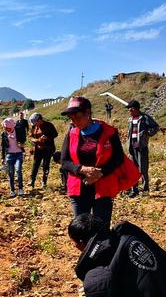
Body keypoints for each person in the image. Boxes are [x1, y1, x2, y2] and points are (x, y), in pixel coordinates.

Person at [60, 97, 140, 228]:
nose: (74, 121)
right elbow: (65, 161)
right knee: (81, 231)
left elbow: (118, 158)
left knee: (101, 229)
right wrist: (82, 169)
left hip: (103, 186)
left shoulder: (108, 132)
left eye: (77, 117)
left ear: (87, 113)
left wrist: (99, 173)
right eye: (71, 118)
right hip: (79, 188)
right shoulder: (72, 133)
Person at [126, 100, 159, 197]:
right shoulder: (130, 119)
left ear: (134, 109)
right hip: (132, 148)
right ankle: (134, 190)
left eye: (130, 109)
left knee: (143, 169)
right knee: (133, 170)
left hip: (142, 147)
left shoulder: (144, 118)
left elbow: (155, 127)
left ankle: (145, 191)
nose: (129, 111)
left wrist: (147, 133)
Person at [28, 112, 58, 188]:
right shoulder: (34, 127)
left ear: (40, 120)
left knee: (45, 165)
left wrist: (47, 137)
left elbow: (55, 134)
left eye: (36, 122)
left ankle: (44, 181)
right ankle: (32, 180)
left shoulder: (49, 125)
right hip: (38, 149)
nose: (35, 124)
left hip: (48, 149)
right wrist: (35, 140)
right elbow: (31, 136)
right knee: (35, 165)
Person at [0, 118, 25, 197]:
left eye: (8, 128)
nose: (7, 129)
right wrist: (3, 158)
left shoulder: (18, 131)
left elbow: (23, 139)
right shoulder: (4, 134)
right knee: (11, 173)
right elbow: (3, 147)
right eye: (6, 128)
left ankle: (20, 188)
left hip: (18, 154)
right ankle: (12, 190)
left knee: (18, 170)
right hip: (9, 155)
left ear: (12, 126)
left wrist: (22, 143)